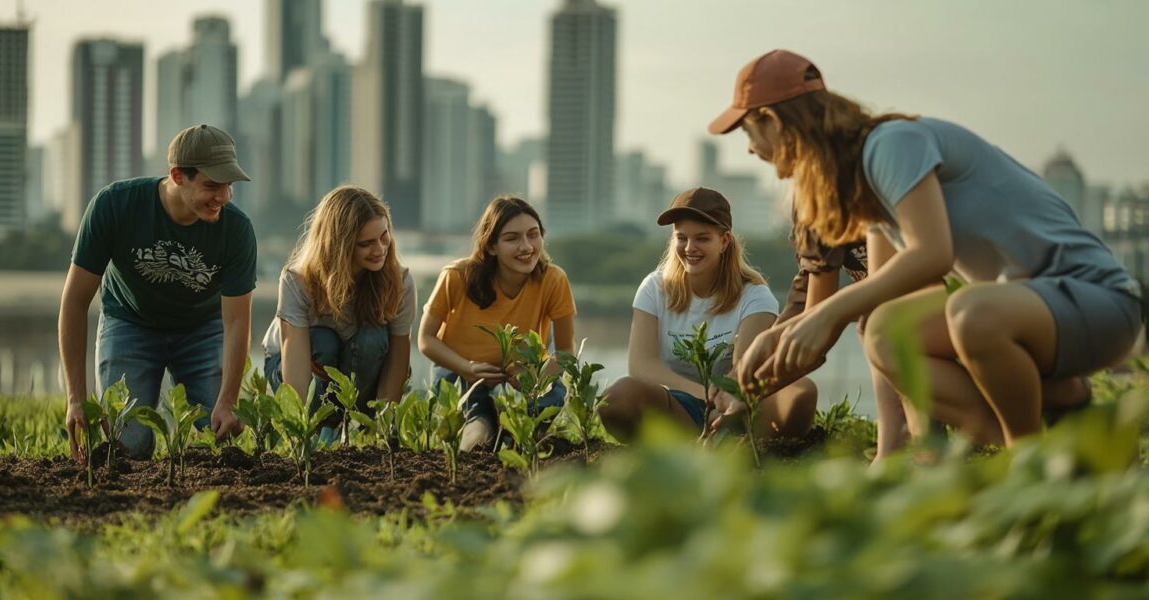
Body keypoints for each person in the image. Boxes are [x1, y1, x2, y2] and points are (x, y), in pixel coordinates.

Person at [713, 50, 1140, 447]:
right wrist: (767, 352)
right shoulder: (868, 193)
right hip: (1033, 315)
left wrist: (829, 311)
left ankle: (1028, 455)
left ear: (773, 120)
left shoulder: (891, 144)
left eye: (749, 131)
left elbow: (931, 253)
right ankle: (1051, 432)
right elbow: (885, 295)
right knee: (884, 332)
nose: (751, 148)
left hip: (1097, 302)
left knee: (971, 312)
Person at [59, 124, 257, 461]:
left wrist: (227, 401)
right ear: (178, 176)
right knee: (128, 449)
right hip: (130, 323)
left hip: (202, 329)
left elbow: (237, 321)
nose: (223, 197)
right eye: (211, 185)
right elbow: (75, 302)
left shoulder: (236, 230)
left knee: (219, 439)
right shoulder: (114, 206)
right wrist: (75, 397)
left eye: (228, 186)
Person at [599, 187, 817, 441]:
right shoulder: (653, 288)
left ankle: (746, 446)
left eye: (702, 238)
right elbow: (641, 366)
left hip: (740, 406)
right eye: (682, 238)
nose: (690, 248)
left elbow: (745, 370)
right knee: (618, 397)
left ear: (724, 241)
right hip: (680, 407)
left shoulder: (755, 296)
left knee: (802, 391)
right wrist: (704, 396)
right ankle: (700, 445)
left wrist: (726, 403)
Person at [417, 196, 576, 451]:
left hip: (521, 377)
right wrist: (467, 367)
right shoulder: (456, 276)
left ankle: (517, 440)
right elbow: (425, 340)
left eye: (533, 235)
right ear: (491, 246)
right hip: (461, 373)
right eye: (512, 238)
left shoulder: (553, 280)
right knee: (477, 434)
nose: (526, 246)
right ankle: (480, 436)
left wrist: (536, 379)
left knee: (549, 399)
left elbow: (566, 351)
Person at [262, 186, 415, 417]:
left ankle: (353, 424)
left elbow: (398, 359)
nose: (380, 249)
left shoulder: (400, 281)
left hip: (359, 366)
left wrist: (384, 425)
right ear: (339, 245)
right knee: (324, 341)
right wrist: (299, 427)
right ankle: (322, 427)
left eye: (384, 237)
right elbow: (296, 369)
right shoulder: (297, 280)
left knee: (373, 338)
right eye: (366, 244)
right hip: (298, 363)